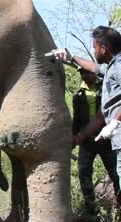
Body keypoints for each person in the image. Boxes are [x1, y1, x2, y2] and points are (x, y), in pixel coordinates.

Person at [54, 25, 121, 209]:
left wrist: (115, 121)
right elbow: (93, 67)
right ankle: (92, 211)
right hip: (106, 140)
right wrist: (70, 58)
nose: (93, 50)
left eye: (94, 47)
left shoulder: (118, 67)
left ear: (104, 48)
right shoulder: (111, 68)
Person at [72, 68, 119, 217]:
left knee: (116, 174)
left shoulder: (105, 87)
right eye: (82, 73)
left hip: (106, 141)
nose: (85, 76)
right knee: (84, 174)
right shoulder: (78, 95)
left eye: (87, 73)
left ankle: (118, 203)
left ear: (94, 73)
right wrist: (73, 137)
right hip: (86, 143)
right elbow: (77, 119)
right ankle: (91, 209)